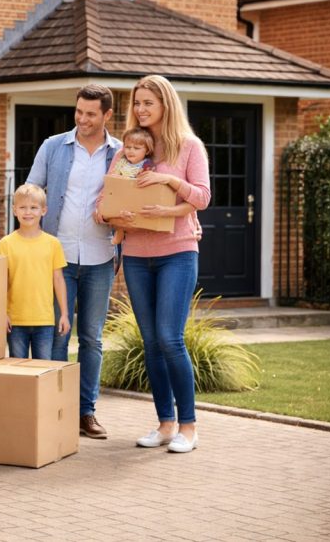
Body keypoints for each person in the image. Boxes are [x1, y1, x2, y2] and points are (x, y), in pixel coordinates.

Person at [106, 74, 210, 453]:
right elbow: (110, 199)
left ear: (166, 104)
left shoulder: (188, 147)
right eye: (137, 103)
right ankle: (165, 423)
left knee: (169, 338)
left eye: (148, 102)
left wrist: (168, 187)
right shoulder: (126, 150)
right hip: (135, 256)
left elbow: (202, 196)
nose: (141, 109)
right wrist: (114, 216)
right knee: (151, 342)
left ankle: (189, 426)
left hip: (177, 253)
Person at [25, 84, 121, 440]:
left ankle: (86, 412)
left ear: (107, 115)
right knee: (56, 335)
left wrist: (113, 215)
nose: (82, 119)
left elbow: (130, 202)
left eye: (91, 114)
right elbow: (30, 193)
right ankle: (54, 410)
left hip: (99, 258)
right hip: (57, 258)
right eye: (79, 111)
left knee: (92, 338)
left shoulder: (122, 154)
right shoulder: (53, 147)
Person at [0, 184, 70, 360]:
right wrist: (2, 313)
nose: (28, 212)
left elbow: (58, 280)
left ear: (43, 210)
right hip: (15, 321)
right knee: (18, 372)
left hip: (44, 320)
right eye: (22, 207)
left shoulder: (53, 244)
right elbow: (0, 281)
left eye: (33, 208)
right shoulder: (6, 244)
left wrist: (65, 314)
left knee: (42, 371)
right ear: (14, 210)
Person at [110, 127, 156, 245]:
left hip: (139, 195)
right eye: (128, 147)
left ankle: (124, 233)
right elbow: (113, 175)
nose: (131, 151)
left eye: (136, 148)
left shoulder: (147, 164)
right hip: (122, 195)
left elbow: (148, 179)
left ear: (146, 150)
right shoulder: (122, 161)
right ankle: (120, 232)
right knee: (120, 213)